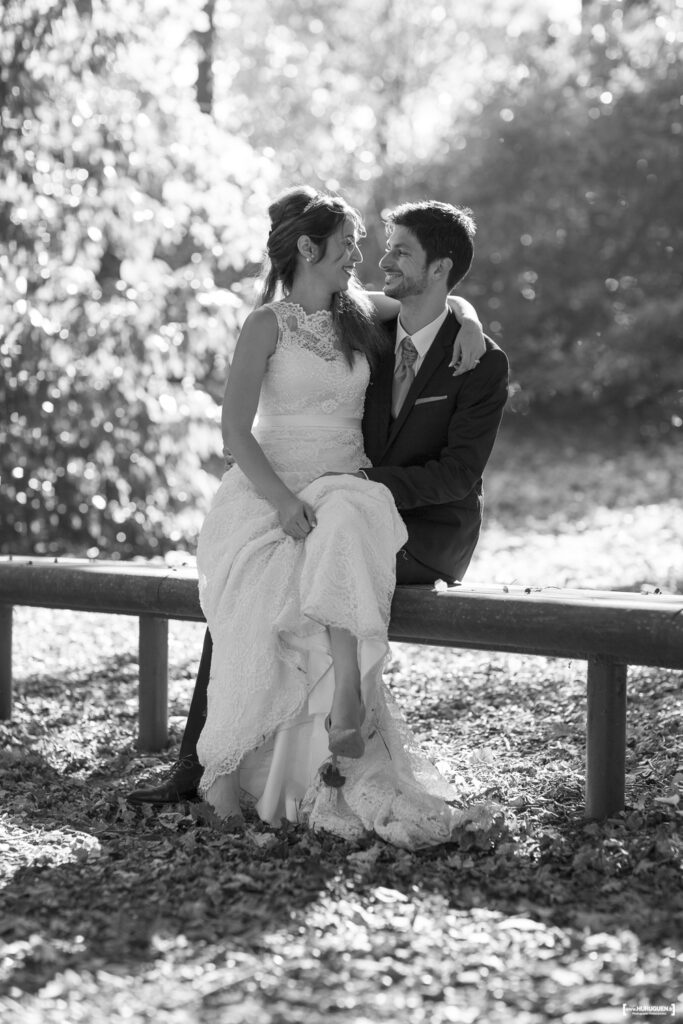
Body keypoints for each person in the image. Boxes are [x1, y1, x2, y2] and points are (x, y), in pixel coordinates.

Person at [128, 189, 509, 847]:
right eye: (348, 246)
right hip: (275, 487)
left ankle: (330, 726)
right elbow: (234, 431)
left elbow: (440, 302)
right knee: (261, 583)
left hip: (351, 489)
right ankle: (224, 762)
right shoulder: (272, 323)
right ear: (308, 249)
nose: (363, 258)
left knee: (329, 541)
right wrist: (281, 501)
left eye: (373, 248)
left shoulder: (361, 314)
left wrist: (470, 320)